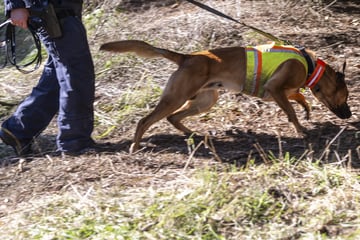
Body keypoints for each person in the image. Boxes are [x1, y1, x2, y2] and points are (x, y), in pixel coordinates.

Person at [0, 0, 96, 156]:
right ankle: (75, 142)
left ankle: (19, 129)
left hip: (63, 10)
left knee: (59, 77)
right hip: (51, 11)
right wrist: (15, 5)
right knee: (76, 74)